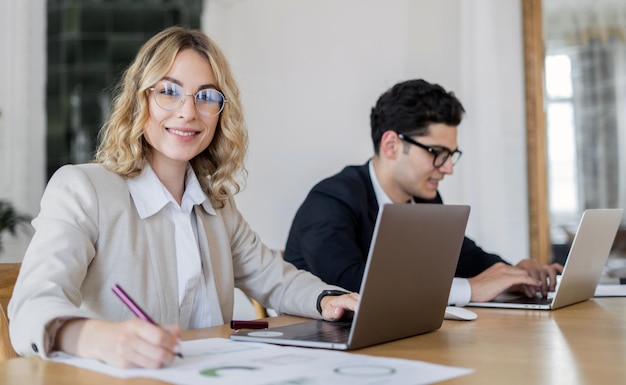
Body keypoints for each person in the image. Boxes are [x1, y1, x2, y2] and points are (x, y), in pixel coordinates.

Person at [8, 26, 357, 369]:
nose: (188, 112)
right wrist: (100, 338)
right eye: (169, 91)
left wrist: (327, 298)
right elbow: (31, 306)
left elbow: (275, 280)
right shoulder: (83, 189)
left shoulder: (216, 204)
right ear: (139, 99)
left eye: (206, 96)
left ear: (220, 114)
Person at [284, 79, 563, 307]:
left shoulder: (424, 198)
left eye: (452, 155)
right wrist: (469, 289)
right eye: (438, 153)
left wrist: (517, 273)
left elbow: (465, 257)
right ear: (392, 145)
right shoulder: (329, 201)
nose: (448, 168)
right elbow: (351, 285)